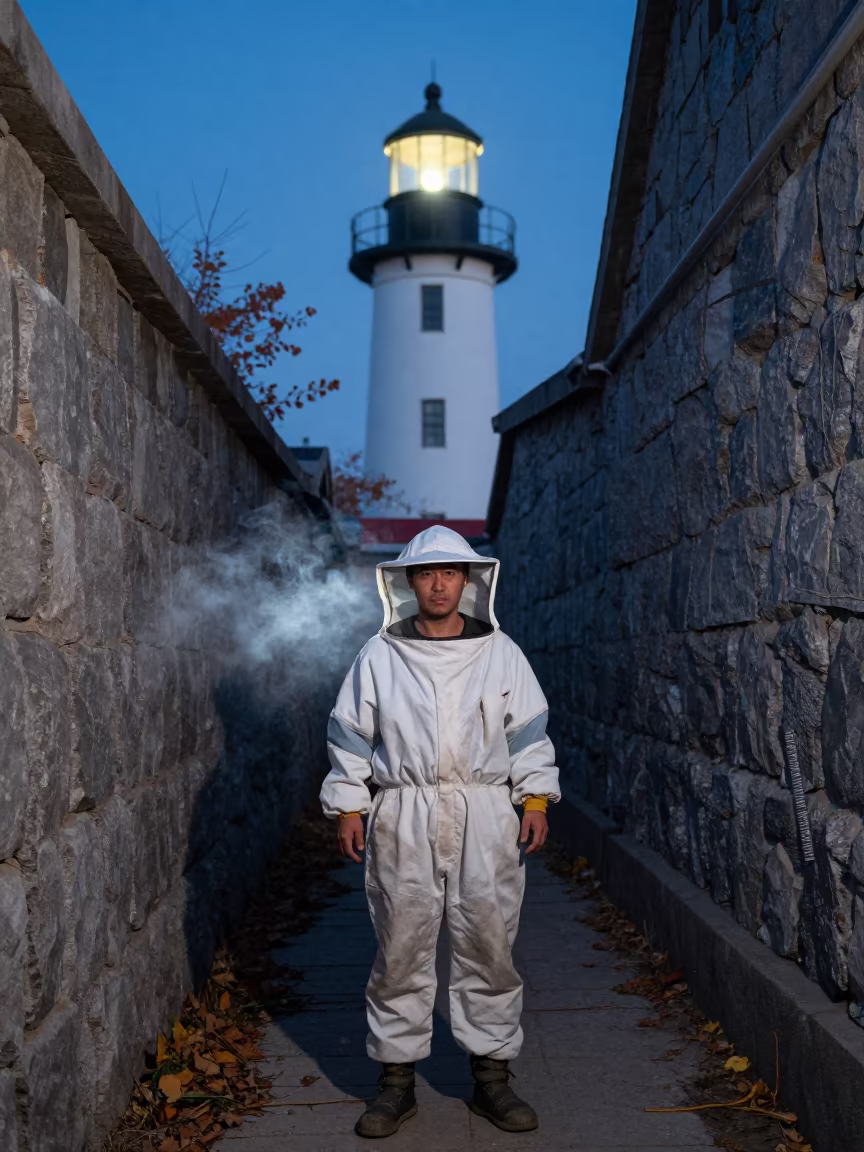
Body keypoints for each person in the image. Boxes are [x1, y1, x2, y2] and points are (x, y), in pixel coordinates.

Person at [320, 525, 560, 1138]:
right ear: (408, 583)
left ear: (468, 581)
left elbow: (528, 733)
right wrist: (349, 806)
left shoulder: (502, 653)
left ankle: (492, 1081)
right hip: (404, 813)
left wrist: (534, 798)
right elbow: (350, 737)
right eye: (427, 573)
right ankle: (394, 1084)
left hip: (485, 813)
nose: (439, 584)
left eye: (450, 572)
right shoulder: (378, 656)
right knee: (401, 942)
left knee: (488, 940)